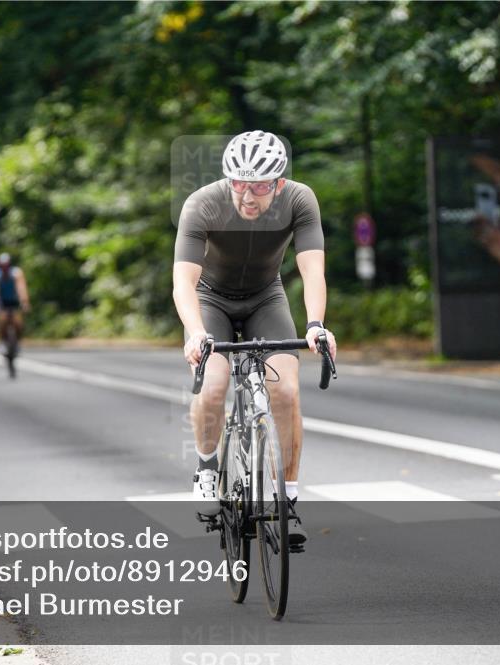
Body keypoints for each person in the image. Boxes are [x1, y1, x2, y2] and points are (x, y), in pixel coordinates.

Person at [173, 130, 337, 548]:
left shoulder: (300, 200)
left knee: (285, 393)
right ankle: (208, 467)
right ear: (229, 180)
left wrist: (316, 324)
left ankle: (288, 500)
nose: (248, 195)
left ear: (278, 183)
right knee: (212, 384)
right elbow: (183, 283)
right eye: (240, 184)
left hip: (267, 297)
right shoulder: (202, 204)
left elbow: (312, 270)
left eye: (260, 186)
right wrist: (195, 333)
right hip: (212, 300)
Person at [0, 253, 29, 353]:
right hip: (1, 301)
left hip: (14, 300)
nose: (4, 268)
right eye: (2, 265)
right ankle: (3, 341)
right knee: (2, 320)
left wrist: (24, 302)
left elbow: (21, 288)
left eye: (6, 265)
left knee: (18, 322)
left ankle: (17, 342)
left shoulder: (16, 273)